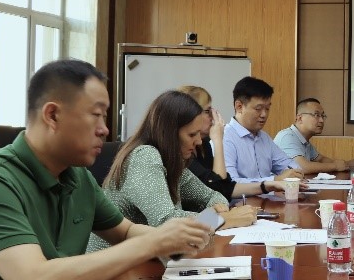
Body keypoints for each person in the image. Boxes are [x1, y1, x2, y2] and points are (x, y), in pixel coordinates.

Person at [0, 60, 212, 280]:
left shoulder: (78, 177)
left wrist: (173, 239)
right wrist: (153, 242)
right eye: (96, 115)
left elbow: (125, 231)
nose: (104, 129)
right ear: (52, 115)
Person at [87, 90, 256, 252]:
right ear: (169, 134)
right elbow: (166, 221)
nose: (199, 141)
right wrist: (223, 219)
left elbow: (214, 196)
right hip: (115, 264)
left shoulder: (172, 162)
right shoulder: (144, 157)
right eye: (192, 135)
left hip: (149, 258)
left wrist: (215, 212)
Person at [178, 85, 289, 198]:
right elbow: (218, 189)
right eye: (207, 111)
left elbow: (227, 187)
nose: (213, 116)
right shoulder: (181, 152)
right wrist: (218, 140)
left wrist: (267, 185)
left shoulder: (204, 144)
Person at [223, 76, 302, 182]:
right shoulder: (225, 138)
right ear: (239, 106)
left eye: (267, 108)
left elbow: (291, 166)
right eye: (258, 109)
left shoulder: (264, 138)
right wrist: (275, 180)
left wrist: (294, 173)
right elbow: (230, 183)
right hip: (245, 194)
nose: (264, 114)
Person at [274, 98, 348, 174]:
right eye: (316, 115)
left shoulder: (304, 140)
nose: (321, 120)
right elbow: (301, 167)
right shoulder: (287, 136)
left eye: (322, 116)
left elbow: (320, 159)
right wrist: (335, 166)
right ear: (300, 118)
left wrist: (342, 164)